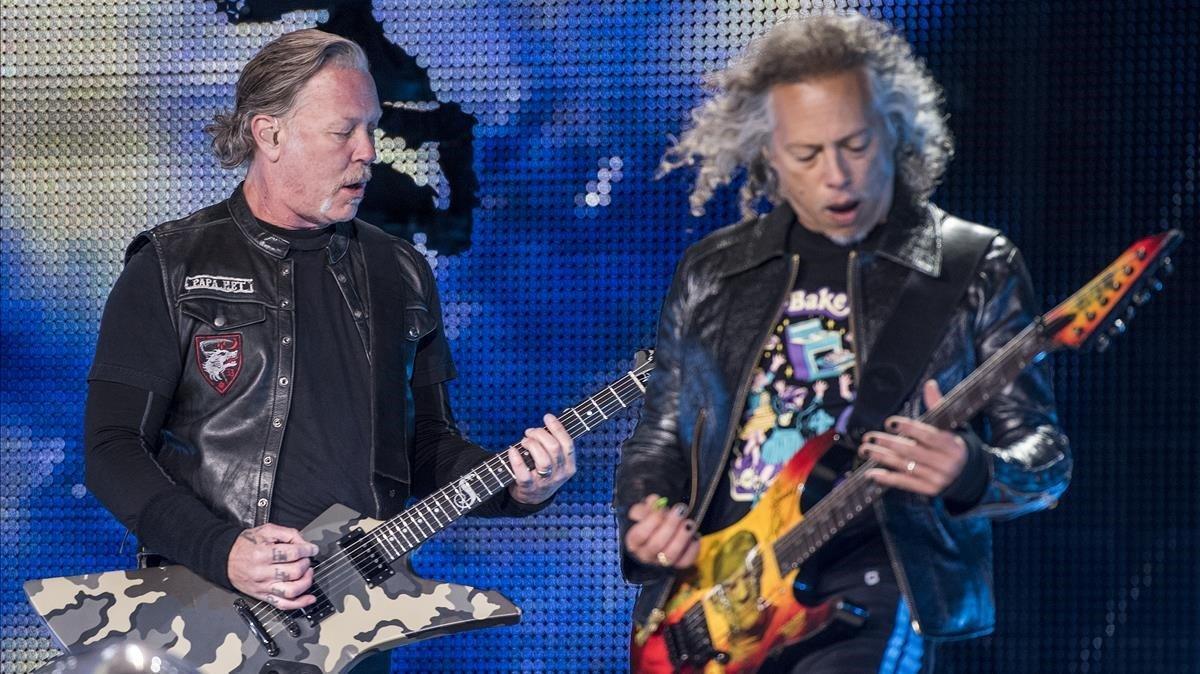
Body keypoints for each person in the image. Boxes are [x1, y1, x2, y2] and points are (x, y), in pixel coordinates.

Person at [83, 29, 574, 673]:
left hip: (351, 629)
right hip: (204, 628)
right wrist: (222, 548)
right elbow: (112, 449)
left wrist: (519, 486)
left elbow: (426, 445)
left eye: (371, 128)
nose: (369, 152)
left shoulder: (399, 269)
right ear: (270, 132)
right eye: (345, 130)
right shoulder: (170, 264)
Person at [615, 13, 1070, 672]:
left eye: (855, 145)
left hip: (878, 588)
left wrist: (972, 470)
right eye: (807, 153)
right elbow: (661, 436)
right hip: (719, 602)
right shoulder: (715, 270)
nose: (837, 174)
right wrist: (647, 518)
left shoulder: (973, 264)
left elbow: (1046, 454)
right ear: (769, 154)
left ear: (894, 130)